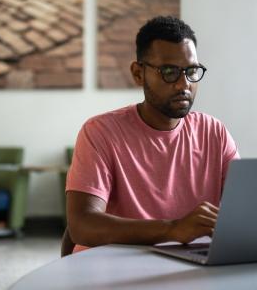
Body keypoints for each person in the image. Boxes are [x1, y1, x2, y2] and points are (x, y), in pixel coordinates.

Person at [65, 16, 239, 254]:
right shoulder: (100, 132)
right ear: (138, 74)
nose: (183, 84)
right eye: (169, 71)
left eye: (191, 71)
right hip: (110, 267)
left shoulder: (214, 133)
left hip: (186, 267)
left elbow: (244, 210)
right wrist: (171, 230)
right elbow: (82, 225)